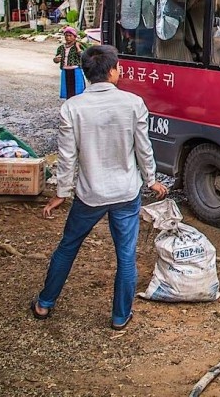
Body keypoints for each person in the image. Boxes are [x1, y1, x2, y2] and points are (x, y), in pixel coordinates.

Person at [31, 45, 167, 329]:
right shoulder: (133, 103)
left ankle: (44, 303)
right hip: (126, 194)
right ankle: (120, 317)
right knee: (126, 257)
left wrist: (61, 193)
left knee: (67, 248)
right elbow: (144, 148)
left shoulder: (72, 107)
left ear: (86, 73)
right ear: (114, 71)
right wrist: (151, 178)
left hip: (90, 194)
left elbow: (67, 157)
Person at [55, 26, 85, 99]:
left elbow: (84, 56)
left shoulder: (79, 46)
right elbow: (56, 59)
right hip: (65, 71)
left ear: (74, 37)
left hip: (76, 71)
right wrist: (56, 60)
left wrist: (78, 48)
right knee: (67, 90)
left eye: (70, 36)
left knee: (77, 91)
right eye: (66, 36)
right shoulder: (61, 48)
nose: (68, 37)